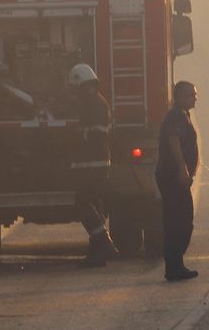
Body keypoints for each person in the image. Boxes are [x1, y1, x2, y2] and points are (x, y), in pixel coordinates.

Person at [68, 63, 119, 267]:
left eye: (76, 89)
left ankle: (104, 243)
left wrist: (76, 134)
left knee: (83, 203)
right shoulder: (96, 102)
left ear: (83, 85)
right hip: (93, 162)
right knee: (94, 204)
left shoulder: (94, 104)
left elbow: (96, 132)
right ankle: (97, 253)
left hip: (92, 163)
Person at [156, 81, 200, 281]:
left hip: (177, 176)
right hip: (172, 176)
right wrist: (183, 169)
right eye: (191, 95)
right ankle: (174, 266)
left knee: (182, 220)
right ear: (180, 96)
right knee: (179, 221)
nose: (195, 98)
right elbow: (173, 141)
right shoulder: (176, 116)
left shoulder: (183, 115)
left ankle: (176, 264)